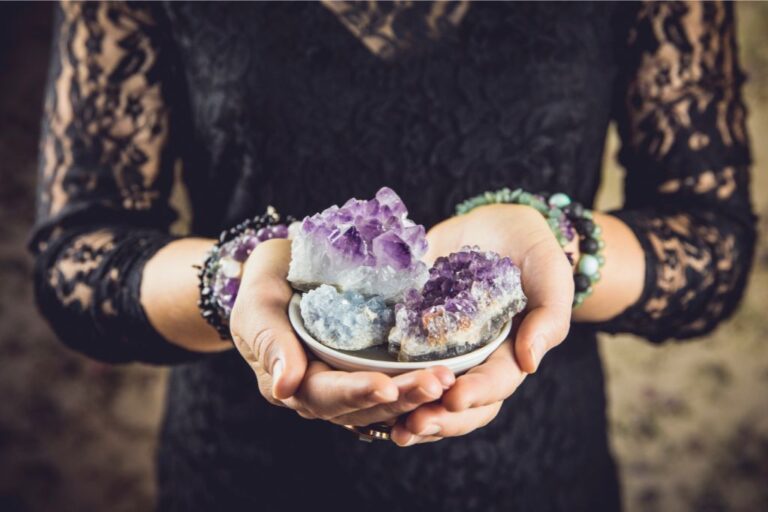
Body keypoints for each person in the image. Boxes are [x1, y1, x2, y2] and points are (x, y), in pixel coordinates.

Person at [31, 1, 755, 511]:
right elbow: (77, 257)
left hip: (535, 476)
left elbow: (713, 243)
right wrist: (239, 280)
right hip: (245, 471)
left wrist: (560, 245)